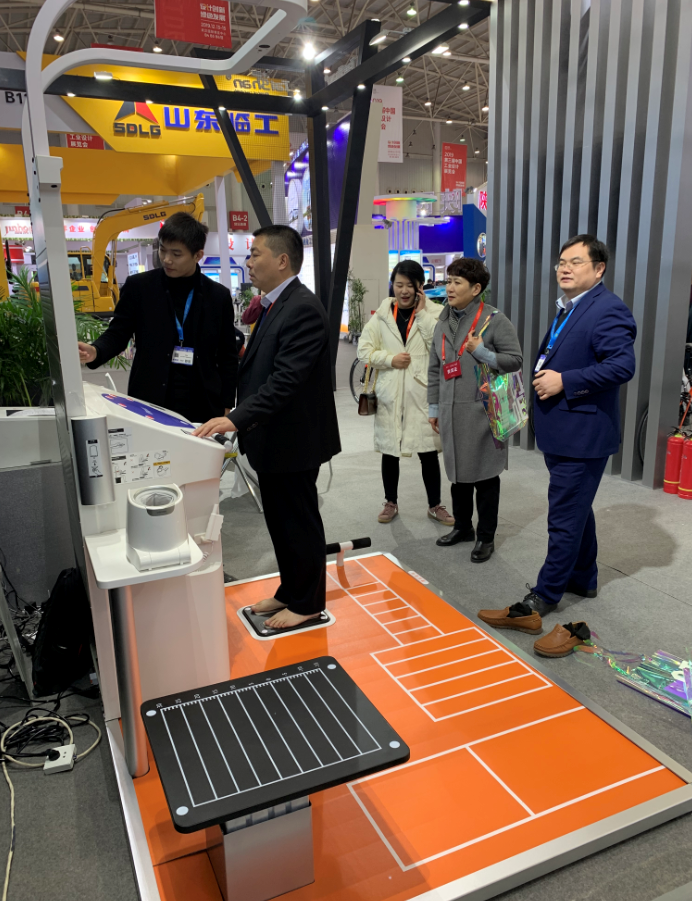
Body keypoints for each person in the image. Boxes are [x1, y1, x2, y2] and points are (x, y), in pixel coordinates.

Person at [479, 235, 636, 632]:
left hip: (583, 435)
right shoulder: (571, 307)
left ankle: (544, 596)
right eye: (561, 262)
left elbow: (622, 366)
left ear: (599, 269)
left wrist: (567, 380)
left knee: (564, 516)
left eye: (576, 261)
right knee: (576, 508)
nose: (565, 268)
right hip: (564, 432)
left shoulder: (608, 309)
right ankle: (583, 578)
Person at [192, 226, 341, 630]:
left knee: (299, 522)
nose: (249, 261)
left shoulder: (302, 308)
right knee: (280, 521)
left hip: (295, 439)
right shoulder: (276, 304)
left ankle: (307, 602)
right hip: (272, 437)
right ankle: (290, 590)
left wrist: (236, 417)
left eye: (256, 253)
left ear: (282, 260)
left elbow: (285, 381)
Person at [78, 213, 237, 424]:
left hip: (203, 402)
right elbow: (118, 333)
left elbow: (227, 355)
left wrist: (226, 404)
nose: (166, 259)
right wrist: (96, 351)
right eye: (162, 250)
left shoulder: (218, 296)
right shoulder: (139, 287)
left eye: (176, 254)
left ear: (198, 255)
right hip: (150, 398)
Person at [428, 258, 522, 562]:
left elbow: (515, 360)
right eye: (449, 280)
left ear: (476, 288)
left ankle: (485, 536)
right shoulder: (443, 321)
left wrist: (482, 352)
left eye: (457, 282)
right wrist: (434, 407)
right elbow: (434, 368)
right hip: (450, 411)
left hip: (484, 413)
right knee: (458, 475)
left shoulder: (494, 320)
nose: (449, 287)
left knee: (485, 477)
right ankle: (463, 527)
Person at [357, 260, 452, 525]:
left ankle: (435, 505)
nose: (404, 290)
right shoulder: (382, 315)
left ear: (420, 286)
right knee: (390, 451)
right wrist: (390, 359)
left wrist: (421, 315)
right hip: (390, 393)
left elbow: (441, 347)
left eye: (410, 285)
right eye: (399, 285)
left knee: (428, 452)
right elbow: (363, 351)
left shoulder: (435, 313)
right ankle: (390, 502)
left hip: (422, 394)